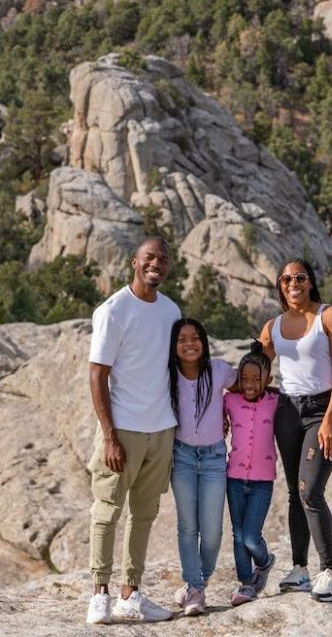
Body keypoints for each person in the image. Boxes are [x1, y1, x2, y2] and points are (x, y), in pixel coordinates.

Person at [86, 237, 181, 625]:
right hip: (122, 429)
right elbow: (97, 375)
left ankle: (131, 593)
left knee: (145, 514)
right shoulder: (113, 310)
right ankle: (99, 594)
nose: (156, 263)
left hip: (161, 430)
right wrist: (108, 435)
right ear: (134, 263)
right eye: (149, 257)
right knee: (107, 510)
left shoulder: (172, 311)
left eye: (162, 258)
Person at [258, 258, 332, 602]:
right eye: (286, 280)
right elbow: (257, 370)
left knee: (310, 489)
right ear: (279, 286)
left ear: (310, 282)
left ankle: (329, 570)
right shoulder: (273, 326)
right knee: (294, 493)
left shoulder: (328, 315)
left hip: (321, 411)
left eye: (299, 277)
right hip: (287, 411)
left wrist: (329, 419)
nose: (293, 284)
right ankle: (300, 570)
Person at [167, 317, 237, 616]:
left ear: (204, 342)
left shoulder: (219, 371)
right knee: (187, 527)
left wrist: (228, 412)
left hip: (213, 459)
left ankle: (199, 582)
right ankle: (195, 588)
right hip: (181, 457)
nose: (189, 343)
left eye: (195, 337)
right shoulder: (166, 374)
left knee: (211, 531)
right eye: (182, 339)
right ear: (173, 346)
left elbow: (248, 383)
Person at [223, 343, 279, 606]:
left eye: (256, 379)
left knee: (250, 536)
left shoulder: (276, 401)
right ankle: (246, 584)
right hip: (233, 478)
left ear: (266, 379)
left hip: (262, 482)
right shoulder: (229, 400)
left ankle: (265, 561)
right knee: (237, 534)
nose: (249, 384)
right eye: (243, 378)